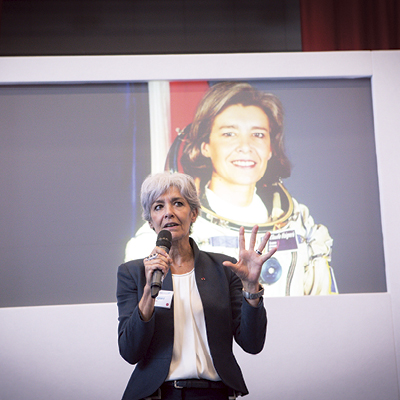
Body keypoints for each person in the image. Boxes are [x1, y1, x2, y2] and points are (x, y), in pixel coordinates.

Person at [126, 82, 337, 297]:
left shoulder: (302, 225)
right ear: (205, 146)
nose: (246, 147)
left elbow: (326, 308)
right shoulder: (162, 237)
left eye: (258, 135)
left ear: (271, 149)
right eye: (229, 134)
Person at [117, 172, 276, 400]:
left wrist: (251, 288)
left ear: (193, 214)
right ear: (150, 222)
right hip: (159, 394)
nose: (168, 212)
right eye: (158, 207)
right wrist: (147, 294)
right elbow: (130, 350)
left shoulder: (223, 268)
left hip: (215, 394)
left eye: (178, 203)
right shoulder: (132, 273)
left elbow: (252, 343)